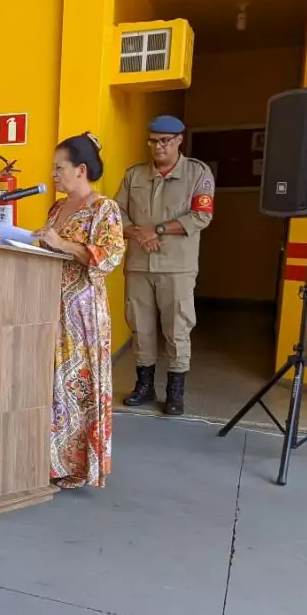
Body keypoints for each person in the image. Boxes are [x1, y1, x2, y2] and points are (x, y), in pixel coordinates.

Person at [32, 133, 126, 490]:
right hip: (49, 307)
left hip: (82, 313)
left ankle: (78, 467)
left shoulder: (105, 209)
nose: (54, 174)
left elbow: (110, 256)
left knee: (79, 389)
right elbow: (52, 248)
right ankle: (51, 462)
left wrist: (63, 243)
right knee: (54, 387)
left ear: (81, 169)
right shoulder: (57, 207)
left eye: (60, 168)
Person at [115, 115, 214, 417]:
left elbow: (201, 216)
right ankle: (144, 387)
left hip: (177, 268)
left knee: (177, 328)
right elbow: (116, 214)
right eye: (153, 141)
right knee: (140, 328)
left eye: (165, 141)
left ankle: (175, 391)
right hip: (139, 265)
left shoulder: (197, 174)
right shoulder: (134, 175)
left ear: (179, 140)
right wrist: (139, 234)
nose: (158, 147)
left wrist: (155, 230)